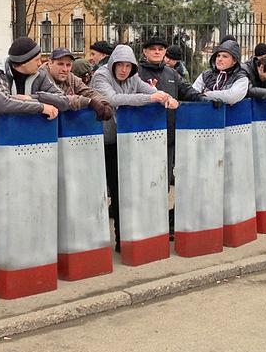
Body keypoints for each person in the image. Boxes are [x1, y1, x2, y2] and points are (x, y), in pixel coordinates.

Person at [0, 37, 69, 259]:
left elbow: (63, 100)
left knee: (26, 206)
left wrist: (32, 97)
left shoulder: (39, 75)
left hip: (30, 153)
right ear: (22, 62)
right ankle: (1, 261)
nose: (41, 63)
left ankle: (28, 260)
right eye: (37, 59)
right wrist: (39, 107)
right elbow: (1, 103)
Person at [91, 44, 173, 251]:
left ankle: (130, 237)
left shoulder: (132, 77)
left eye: (128, 66)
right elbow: (112, 99)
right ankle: (116, 240)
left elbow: (153, 91)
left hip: (129, 142)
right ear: (113, 63)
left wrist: (167, 98)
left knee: (129, 190)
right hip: (105, 142)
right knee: (114, 192)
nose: (124, 70)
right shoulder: (101, 76)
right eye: (121, 65)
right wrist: (150, 98)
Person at [137, 37, 203, 185]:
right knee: (145, 180)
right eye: (153, 49)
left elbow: (186, 90)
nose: (156, 52)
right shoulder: (137, 73)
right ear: (145, 52)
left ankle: (162, 208)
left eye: (160, 49)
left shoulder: (172, 73)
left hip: (168, 134)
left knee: (164, 179)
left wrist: (203, 98)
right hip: (143, 133)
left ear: (165, 52)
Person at [41, 48, 113, 118]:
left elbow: (87, 91)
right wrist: (89, 102)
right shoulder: (41, 77)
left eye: (68, 65)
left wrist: (103, 102)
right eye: (60, 64)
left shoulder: (70, 77)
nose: (65, 69)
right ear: (50, 64)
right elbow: (60, 99)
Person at [192, 40, 249, 104]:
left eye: (225, 56)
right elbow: (193, 94)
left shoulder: (241, 78)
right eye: (218, 55)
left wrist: (208, 94)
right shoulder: (206, 75)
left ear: (234, 60)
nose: (220, 59)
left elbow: (231, 97)